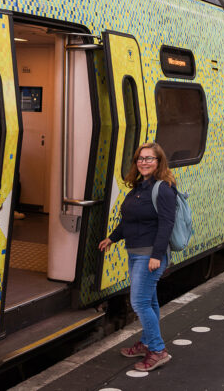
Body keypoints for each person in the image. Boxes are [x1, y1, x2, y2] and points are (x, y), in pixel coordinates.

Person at [98, 142, 177, 370]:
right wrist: (112, 238)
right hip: (135, 253)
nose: (144, 162)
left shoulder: (163, 188)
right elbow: (129, 220)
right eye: (140, 158)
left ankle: (158, 349)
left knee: (139, 302)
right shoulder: (139, 187)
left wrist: (157, 255)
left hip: (149, 255)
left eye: (149, 158)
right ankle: (146, 343)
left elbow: (166, 224)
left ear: (159, 162)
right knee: (149, 301)